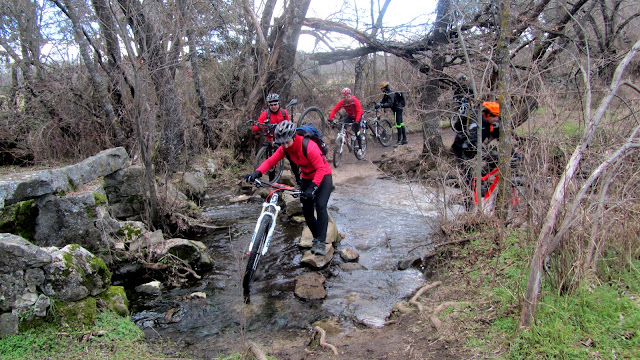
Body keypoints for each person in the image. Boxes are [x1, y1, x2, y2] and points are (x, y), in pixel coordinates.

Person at [243, 121, 333, 256]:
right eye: (282, 142)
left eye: (287, 142)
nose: (285, 145)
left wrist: (313, 188)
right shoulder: (285, 148)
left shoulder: (309, 146)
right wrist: (257, 173)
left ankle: (321, 241)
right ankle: (316, 239)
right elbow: (271, 161)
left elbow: (320, 168)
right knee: (307, 212)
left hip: (323, 175)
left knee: (320, 206)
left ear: (294, 137)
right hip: (307, 177)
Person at [451, 101, 501, 193]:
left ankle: (481, 179)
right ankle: (468, 197)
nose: (496, 119)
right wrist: (488, 154)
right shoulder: (477, 122)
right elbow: (473, 142)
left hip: (473, 146)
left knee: (494, 160)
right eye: (493, 116)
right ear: (486, 115)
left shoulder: (493, 124)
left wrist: (513, 153)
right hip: (462, 147)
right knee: (467, 175)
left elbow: (501, 138)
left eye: (497, 116)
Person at [252, 93, 300, 184]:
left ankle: (298, 179)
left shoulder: (283, 112)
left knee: (292, 159)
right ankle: (271, 183)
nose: (273, 106)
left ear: (278, 104)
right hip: (271, 140)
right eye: (271, 105)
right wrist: (264, 126)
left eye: (275, 104)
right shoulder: (265, 114)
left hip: (283, 140)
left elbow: (287, 125)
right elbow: (255, 128)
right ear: (269, 105)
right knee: (271, 162)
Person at [327, 88, 365, 155]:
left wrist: (356, 121)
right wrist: (330, 118)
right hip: (350, 116)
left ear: (350, 95)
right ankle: (346, 137)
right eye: (345, 97)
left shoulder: (355, 100)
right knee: (341, 124)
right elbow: (335, 109)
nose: (346, 98)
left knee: (357, 132)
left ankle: (360, 149)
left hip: (358, 117)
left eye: (348, 96)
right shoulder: (342, 102)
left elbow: (359, 111)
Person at [377, 82, 407, 147]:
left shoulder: (390, 94)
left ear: (385, 88)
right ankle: (404, 139)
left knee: (398, 125)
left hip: (397, 110)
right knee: (401, 124)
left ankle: (399, 141)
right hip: (399, 109)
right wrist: (379, 104)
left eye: (382, 89)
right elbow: (383, 101)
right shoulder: (387, 93)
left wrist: (381, 105)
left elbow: (390, 104)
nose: (381, 90)